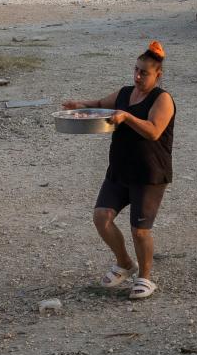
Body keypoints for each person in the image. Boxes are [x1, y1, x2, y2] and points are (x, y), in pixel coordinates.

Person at [61, 41, 176, 300]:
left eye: (144, 72)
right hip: (120, 170)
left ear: (158, 74)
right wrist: (80, 106)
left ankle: (145, 278)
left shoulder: (163, 99)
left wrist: (127, 117)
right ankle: (125, 263)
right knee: (101, 217)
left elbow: (154, 130)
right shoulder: (125, 93)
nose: (137, 76)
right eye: (135, 70)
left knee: (140, 230)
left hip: (149, 174)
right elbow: (102, 104)